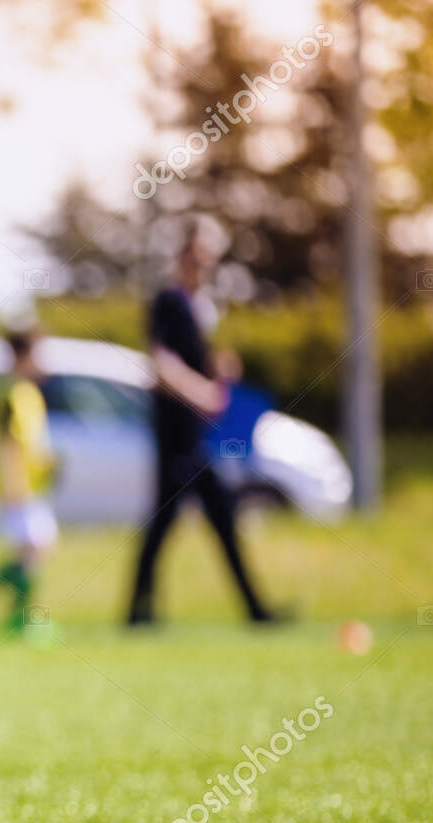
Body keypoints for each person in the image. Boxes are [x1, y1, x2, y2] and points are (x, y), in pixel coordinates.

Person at [127, 217, 277, 626]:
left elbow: (190, 361)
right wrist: (203, 391)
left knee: (199, 518)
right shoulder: (169, 303)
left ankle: (140, 611)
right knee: (174, 520)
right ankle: (253, 610)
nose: (202, 266)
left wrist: (217, 370)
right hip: (176, 435)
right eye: (196, 257)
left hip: (196, 437)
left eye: (208, 259)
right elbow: (163, 365)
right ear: (181, 257)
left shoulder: (200, 309)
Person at [0, 329, 57, 636]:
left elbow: (29, 439)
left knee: (33, 549)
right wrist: (14, 484)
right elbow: (8, 442)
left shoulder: (23, 391)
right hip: (15, 487)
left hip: (29, 485)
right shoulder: (8, 392)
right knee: (32, 548)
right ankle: (21, 619)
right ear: (25, 355)